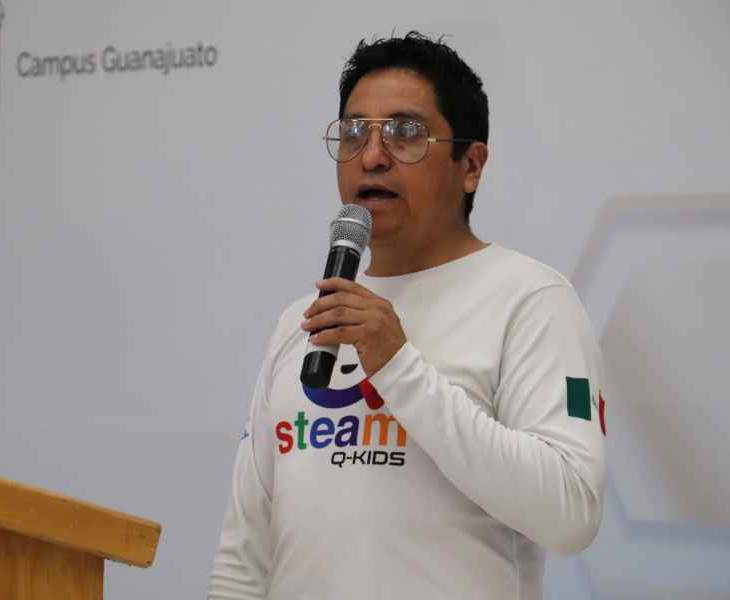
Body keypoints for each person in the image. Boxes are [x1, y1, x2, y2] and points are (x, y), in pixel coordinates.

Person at [208, 31, 606, 600]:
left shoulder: (530, 299)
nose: (372, 155)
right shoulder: (302, 320)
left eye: (405, 133)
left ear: (471, 165)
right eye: (353, 133)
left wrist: (399, 366)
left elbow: (570, 515)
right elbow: (245, 556)